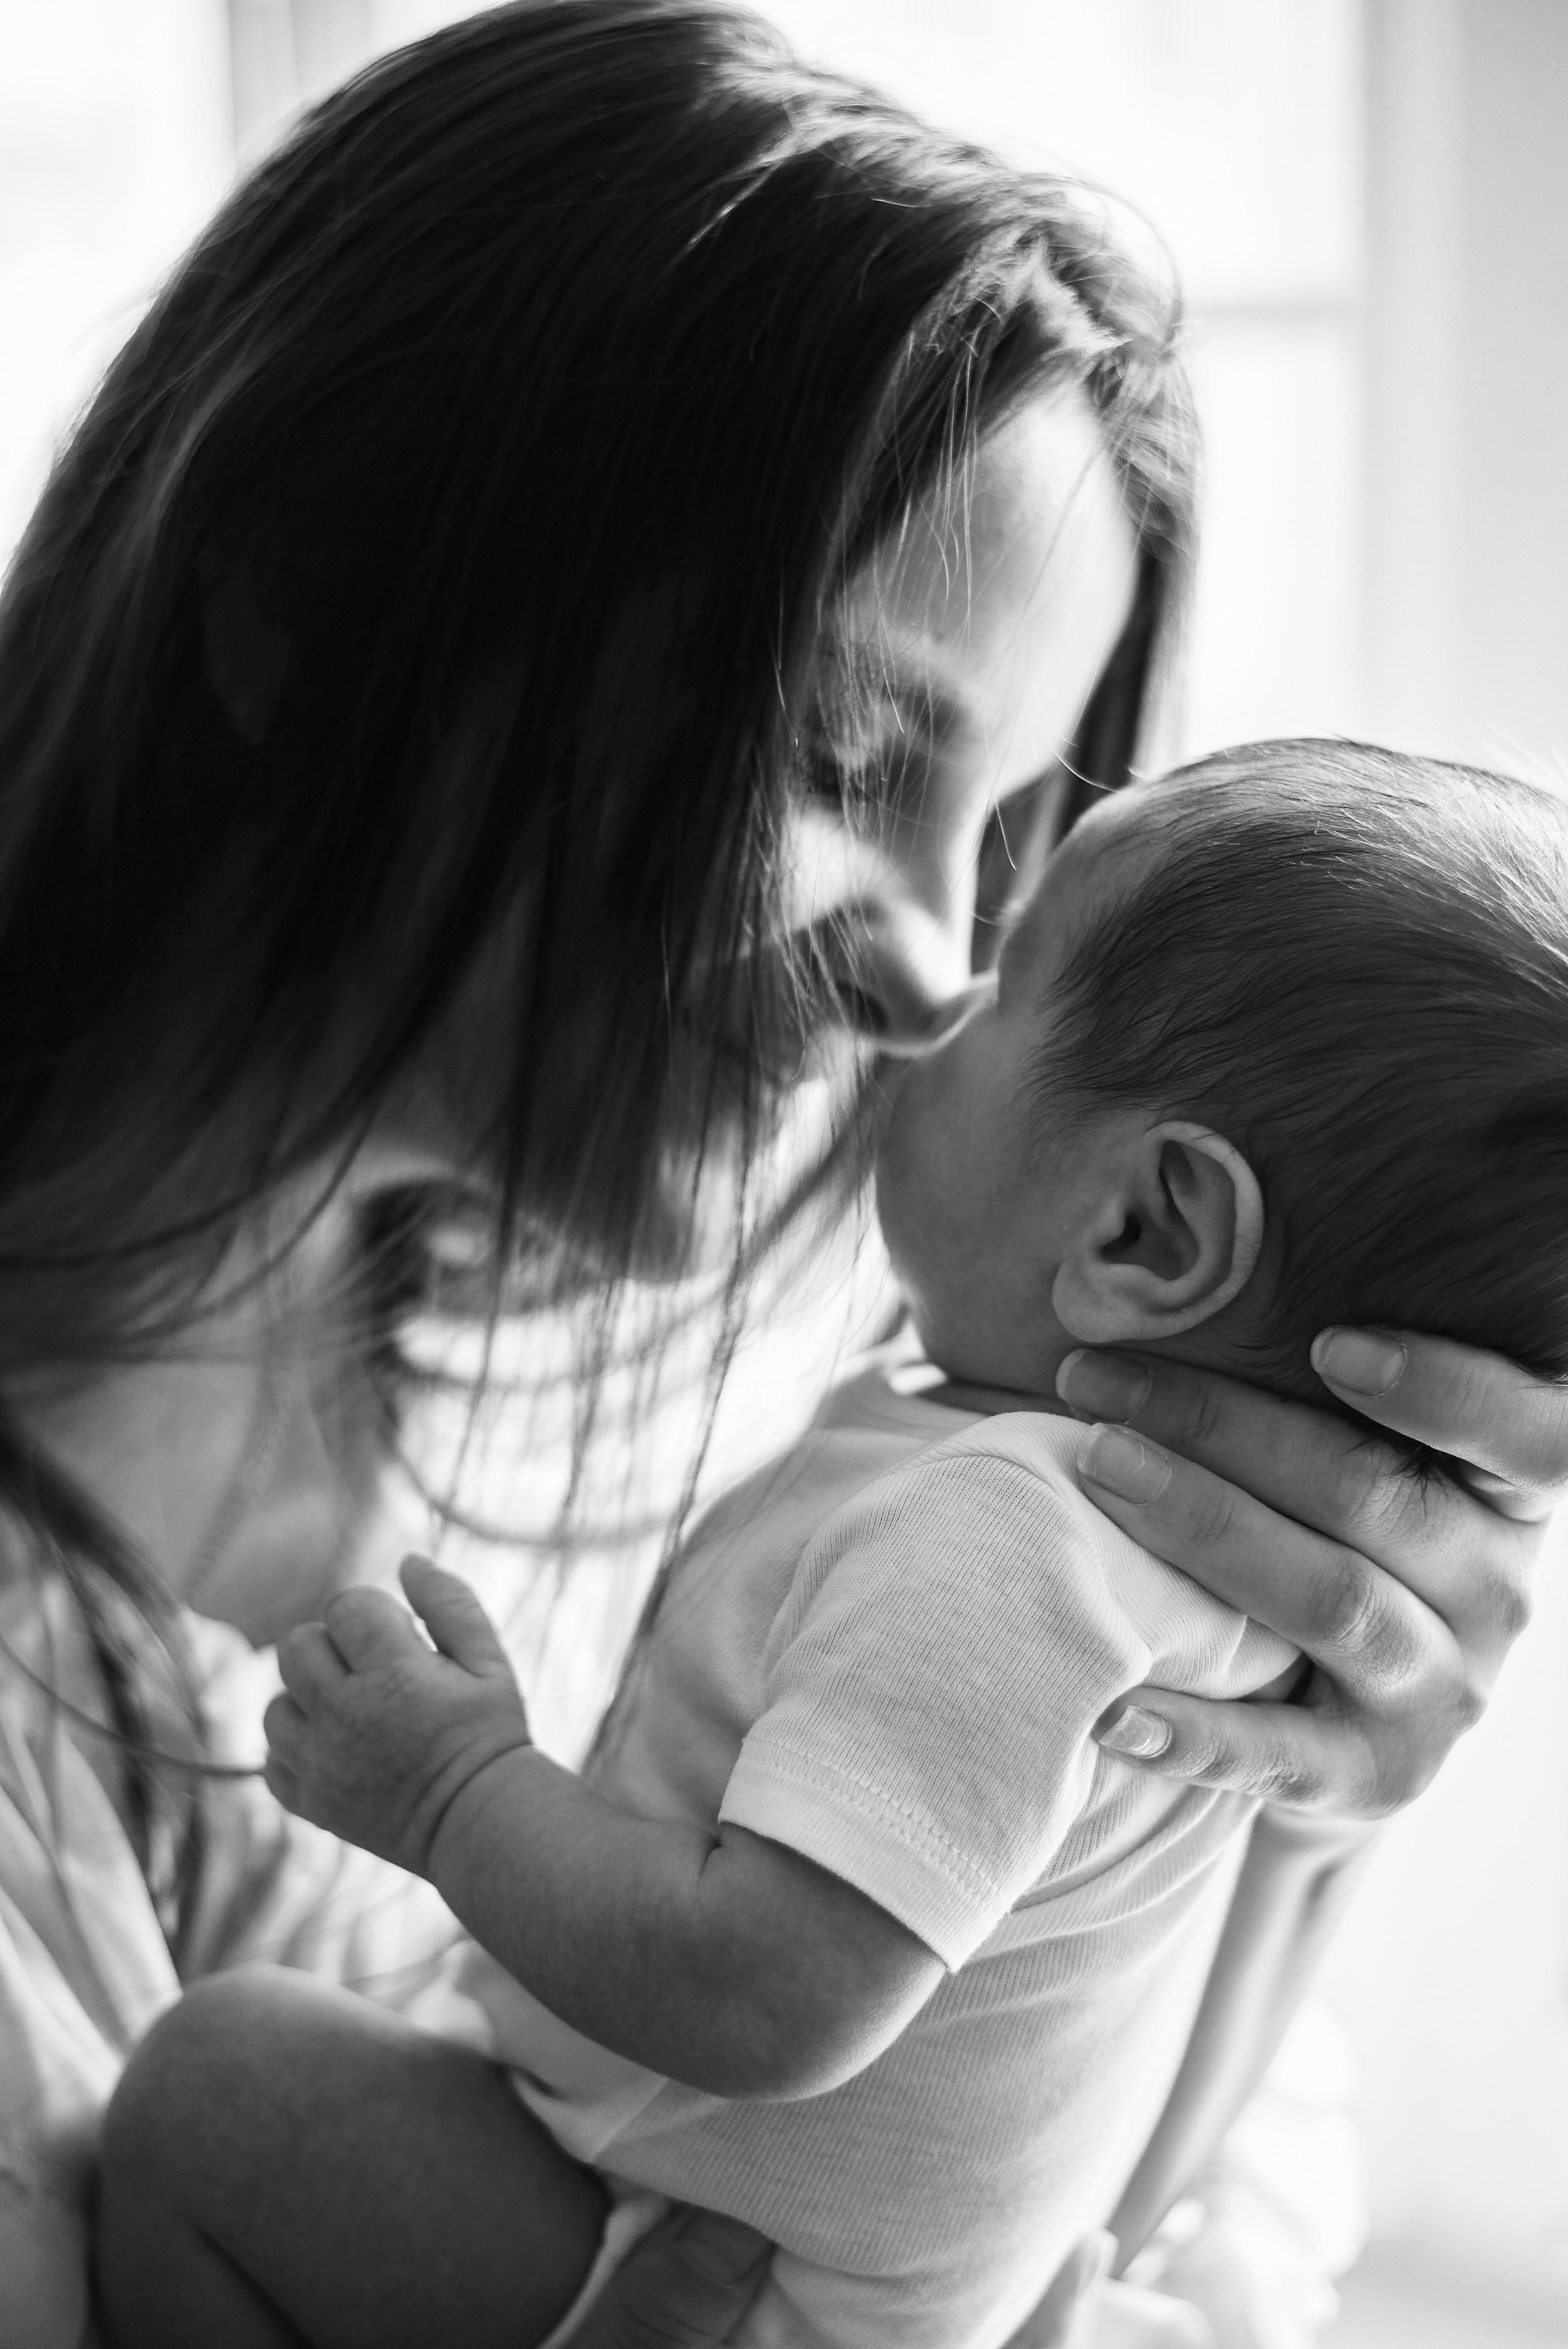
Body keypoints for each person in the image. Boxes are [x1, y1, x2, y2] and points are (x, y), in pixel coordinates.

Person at [0, 4, 1556, 2342]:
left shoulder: (748, 1438)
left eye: (999, 843)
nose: (930, 971)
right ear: (303, 604)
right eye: (841, 754)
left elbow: (1077, 2241)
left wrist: (1286, 1807)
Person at [91, 739, 1568, 2349]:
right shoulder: (1187, 1580)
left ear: (1144, 1230)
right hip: (785, 2269)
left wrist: (452, 1792)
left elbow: (763, 1996)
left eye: (1008, 977)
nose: (933, 994)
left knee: (221, 2093)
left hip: (695, 2265)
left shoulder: (1004, 1535)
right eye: (841, 770)